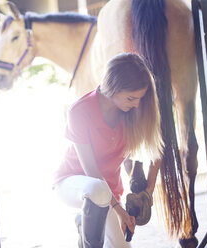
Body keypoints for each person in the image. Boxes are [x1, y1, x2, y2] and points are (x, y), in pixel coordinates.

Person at [53, 53, 163, 248]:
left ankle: (84, 221)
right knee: (97, 190)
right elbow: (92, 172)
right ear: (114, 86)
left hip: (109, 193)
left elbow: (156, 150)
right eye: (131, 98)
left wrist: (148, 191)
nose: (137, 104)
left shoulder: (132, 111)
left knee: (120, 246)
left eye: (140, 98)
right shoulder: (79, 111)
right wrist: (119, 211)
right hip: (71, 183)